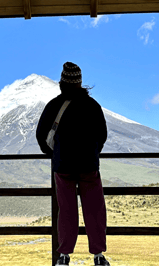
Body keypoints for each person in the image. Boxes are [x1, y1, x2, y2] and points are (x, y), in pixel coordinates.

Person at [36, 62, 110, 266]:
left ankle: (64, 256)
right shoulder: (93, 106)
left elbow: (42, 138)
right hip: (88, 165)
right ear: (80, 83)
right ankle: (98, 256)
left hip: (63, 166)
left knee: (66, 210)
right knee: (94, 209)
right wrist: (92, 152)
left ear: (61, 83)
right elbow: (102, 136)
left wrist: (56, 153)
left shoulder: (53, 106)